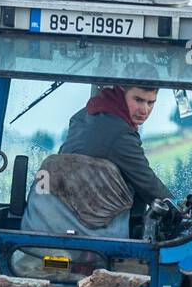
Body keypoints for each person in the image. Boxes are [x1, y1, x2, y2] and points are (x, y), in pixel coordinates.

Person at [21, 83, 172, 239]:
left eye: (150, 102)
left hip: (46, 226)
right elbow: (147, 183)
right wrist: (177, 209)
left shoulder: (82, 116)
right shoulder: (121, 134)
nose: (145, 110)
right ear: (121, 92)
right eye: (138, 100)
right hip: (98, 234)